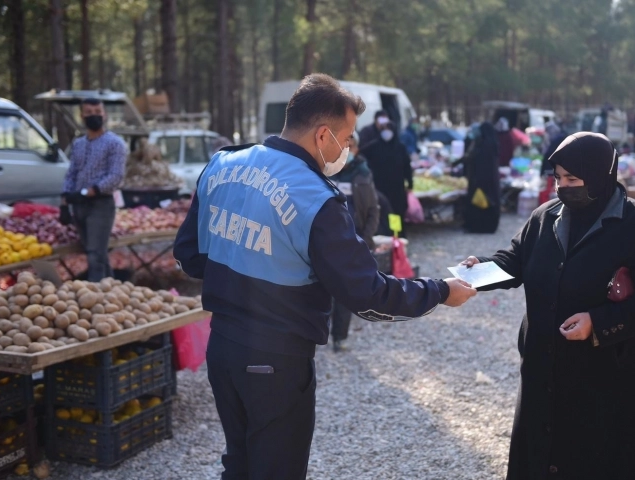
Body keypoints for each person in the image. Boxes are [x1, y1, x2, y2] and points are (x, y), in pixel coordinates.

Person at [173, 73, 477, 480]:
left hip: (224, 347)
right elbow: (367, 295)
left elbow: (189, 256)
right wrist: (440, 292)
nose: (349, 148)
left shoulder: (223, 163)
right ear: (322, 135)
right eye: (347, 137)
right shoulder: (317, 197)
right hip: (277, 360)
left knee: (240, 461)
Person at [460, 132, 635, 480]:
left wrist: (599, 322)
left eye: (573, 179)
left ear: (600, 175)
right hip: (544, 369)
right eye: (558, 178)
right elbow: (515, 259)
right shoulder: (546, 217)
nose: (563, 187)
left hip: (606, 378)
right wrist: (478, 271)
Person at [61, 98, 127, 281]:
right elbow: (72, 172)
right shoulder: (78, 144)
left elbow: (116, 176)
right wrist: (65, 199)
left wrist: (92, 191)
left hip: (100, 205)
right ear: (82, 116)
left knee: (95, 254)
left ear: (104, 114)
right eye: (89, 112)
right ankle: (113, 289)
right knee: (96, 251)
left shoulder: (115, 143)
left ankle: (95, 294)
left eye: (97, 111)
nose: (94, 116)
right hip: (79, 206)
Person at [328, 132, 380, 352]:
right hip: (326, 238)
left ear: (357, 148)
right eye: (342, 145)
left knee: (343, 291)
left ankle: (339, 337)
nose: (345, 150)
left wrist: (365, 239)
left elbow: (373, 210)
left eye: (350, 146)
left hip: (352, 240)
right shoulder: (327, 169)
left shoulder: (363, 173)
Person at [361, 121, 413, 232]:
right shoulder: (374, 147)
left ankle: (395, 234)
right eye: (383, 129)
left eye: (388, 129)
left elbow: (407, 167)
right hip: (380, 186)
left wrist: (410, 183)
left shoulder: (400, 148)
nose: (386, 132)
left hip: (397, 188)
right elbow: (360, 154)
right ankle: (382, 233)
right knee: (380, 211)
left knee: (395, 212)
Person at [458, 122, 500, 233]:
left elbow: (475, 161)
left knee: (480, 203)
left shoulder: (484, 146)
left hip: (480, 181)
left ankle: (478, 226)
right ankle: (486, 226)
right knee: (485, 203)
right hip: (490, 182)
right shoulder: (491, 143)